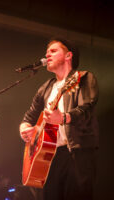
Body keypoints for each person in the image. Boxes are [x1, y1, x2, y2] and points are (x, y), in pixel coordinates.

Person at [19, 38, 99, 200]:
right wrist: (25, 129)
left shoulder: (83, 78)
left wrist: (63, 117)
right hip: (49, 157)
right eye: (47, 52)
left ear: (68, 55)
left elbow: (86, 110)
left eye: (53, 51)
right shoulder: (46, 87)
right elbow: (29, 116)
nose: (47, 54)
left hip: (76, 152)